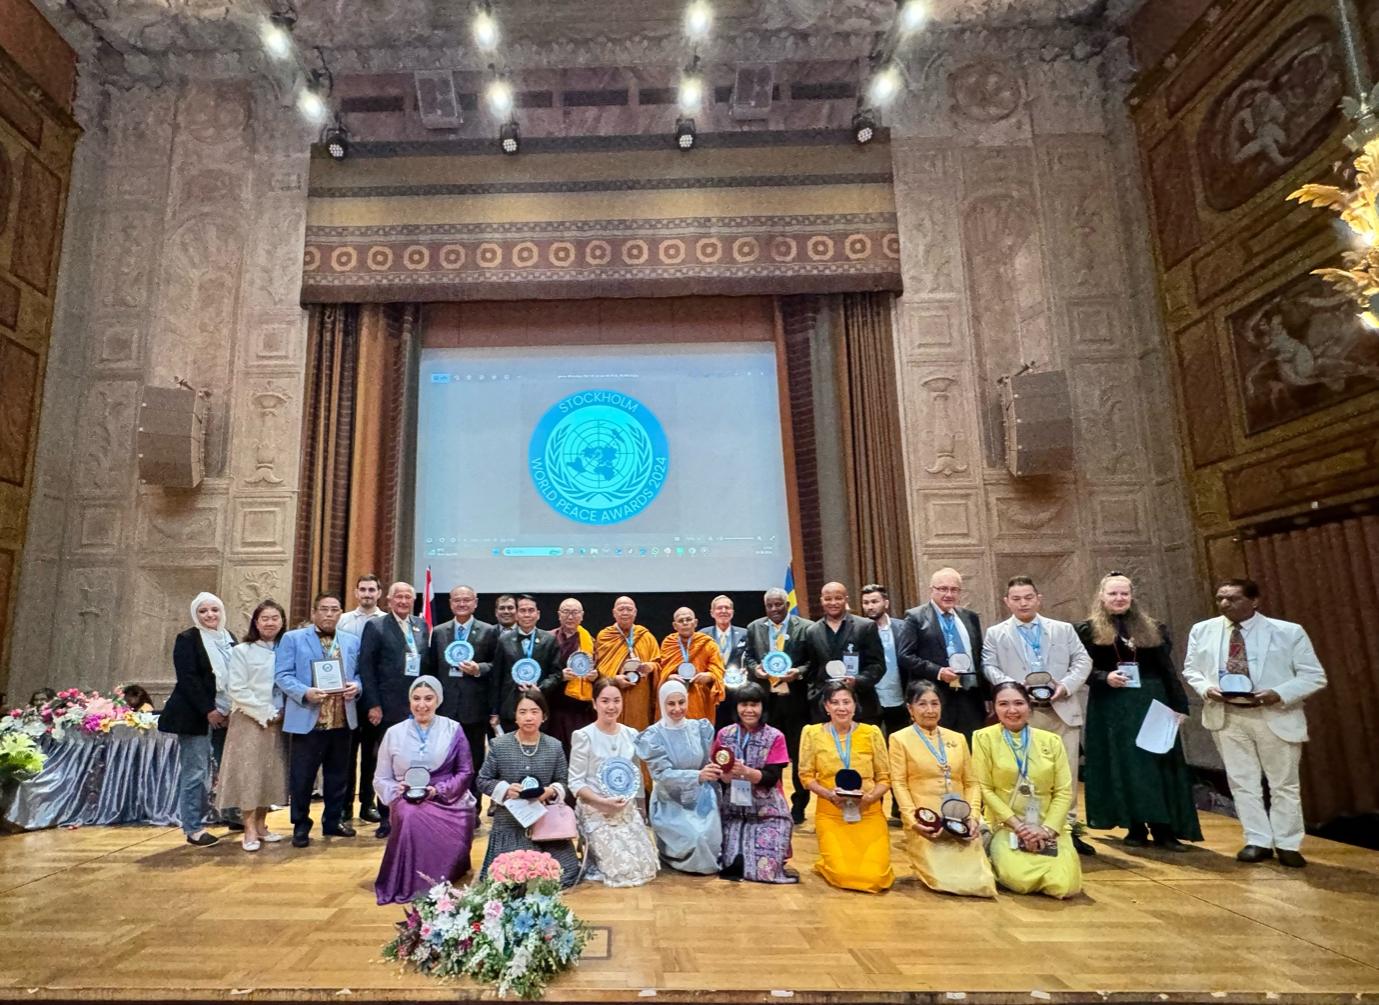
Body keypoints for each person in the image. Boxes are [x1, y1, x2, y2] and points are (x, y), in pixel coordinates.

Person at [1182, 578, 1327, 868]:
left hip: (1274, 714)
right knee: (1242, 782)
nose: (1225, 604)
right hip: (1228, 715)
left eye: (1233, 598)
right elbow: (1192, 669)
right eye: (1220, 598)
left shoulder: (1287, 631)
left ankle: (1287, 843)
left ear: (1254, 601)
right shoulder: (1203, 630)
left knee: (1283, 784)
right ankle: (1257, 839)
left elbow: (1313, 676)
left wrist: (1279, 693)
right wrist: (1206, 689)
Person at [1075, 573, 1202, 851]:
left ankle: (1164, 829)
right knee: (1124, 764)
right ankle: (1134, 826)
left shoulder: (1153, 628)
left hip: (1151, 702)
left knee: (1158, 763)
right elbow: (1080, 668)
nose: (1119, 598)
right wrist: (1104, 677)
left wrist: (1179, 706)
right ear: (1101, 597)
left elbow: (1167, 669)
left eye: (1124, 594)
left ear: (1132, 597)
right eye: (1113, 594)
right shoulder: (1087, 630)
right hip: (1112, 705)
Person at [982, 576, 1097, 856]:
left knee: (1065, 774)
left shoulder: (1063, 629)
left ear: (1038, 599)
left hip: (1061, 711)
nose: (1023, 603)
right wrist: (1015, 690)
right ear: (1007, 602)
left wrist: (1065, 686)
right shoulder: (996, 634)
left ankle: (1066, 830)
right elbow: (989, 665)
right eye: (1016, 599)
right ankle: (1024, 828)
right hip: (1022, 714)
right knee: (1025, 773)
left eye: (1028, 597)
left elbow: (1083, 661)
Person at [372, 676, 478, 904]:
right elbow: (381, 778)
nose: (422, 705)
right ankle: (413, 882)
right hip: (406, 797)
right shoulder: (393, 732)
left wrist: (438, 790)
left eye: (428, 699)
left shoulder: (453, 729)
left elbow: (465, 772)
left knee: (440, 816)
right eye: (416, 698)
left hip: (448, 797)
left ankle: (446, 873)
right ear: (409, 700)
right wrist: (396, 788)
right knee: (409, 815)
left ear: (438, 700)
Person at [971, 681, 1082, 898]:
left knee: (1065, 884)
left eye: (1018, 703)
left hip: (1047, 825)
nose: (1012, 710)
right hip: (1007, 826)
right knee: (1020, 879)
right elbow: (985, 788)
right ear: (994, 708)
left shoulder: (1052, 741)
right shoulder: (983, 738)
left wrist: (1047, 829)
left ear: (1029, 706)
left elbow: (1063, 791)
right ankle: (994, 855)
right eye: (1003, 704)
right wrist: (1019, 827)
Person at [888, 680, 996, 897]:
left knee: (981, 883)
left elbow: (971, 782)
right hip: (927, 821)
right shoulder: (899, 739)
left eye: (934, 703)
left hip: (960, 819)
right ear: (910, 709)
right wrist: (913, 820)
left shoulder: (957, 738)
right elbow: (898, 783)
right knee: (945, 881)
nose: (930, 710)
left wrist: (973, 816)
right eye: (922, 704)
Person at [274, 592, 363, 848]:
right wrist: (305, 692)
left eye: (335, 609)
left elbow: (359, 674)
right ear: (314, 612)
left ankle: (333, 821)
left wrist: (356, 687)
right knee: (302, 778)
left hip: (341, 719)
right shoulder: (293, 638)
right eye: (324, 609)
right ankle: (301, 825)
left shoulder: (351, 640)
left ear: (341, 613)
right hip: (308, 719)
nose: (329, 614)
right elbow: (282, 674)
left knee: (338, 776)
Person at [476, 691, 580, 888]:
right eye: (522, 712)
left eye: (534, 711)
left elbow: (564, 781)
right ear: (515, 716)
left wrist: (551, 791)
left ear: (544, 716)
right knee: (512, 875)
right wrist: (506, 789)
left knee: (564, 874)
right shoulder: (499, 745)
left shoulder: (554, 746)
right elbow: (482, 780)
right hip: (510, 821)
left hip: (546, 822)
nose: (529, 717)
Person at [798, 679, 893, 893]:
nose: (841, 708)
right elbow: (806, 777)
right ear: (826, 706)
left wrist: (870, 798)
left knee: (876, 878)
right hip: (831, 812)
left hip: (868, 811)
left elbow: (885, 778)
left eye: (846, 702)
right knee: (842, 874)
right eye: (835, 702)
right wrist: (828, 794)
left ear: (855, 705)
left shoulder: (871, 733)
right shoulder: (812, 733)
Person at [159, 591, 237, 847]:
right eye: (203, 611)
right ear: (195, 614)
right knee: (196, 773)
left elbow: (236, 674)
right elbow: (188, 679)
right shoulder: (188, 639)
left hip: (226, 713)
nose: (209, 615)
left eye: (214, 610)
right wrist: (209, 710)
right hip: (196, 715)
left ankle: (232, 814)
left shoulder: (229, 637)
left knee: (228, 767)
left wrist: (229, 709)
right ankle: (193, 827)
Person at [568, 677, 659, 887]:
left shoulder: (631, 734)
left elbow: (635, 775)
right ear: (594, 703)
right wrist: (601, 802)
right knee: (620, 870)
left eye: (616, 701)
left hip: (625, 807)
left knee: (645, 867)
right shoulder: (583, 736)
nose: (611, 707)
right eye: (605, 701)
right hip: (594, 808)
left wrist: (640, 807)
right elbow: (575, 782)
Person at [358, 582, 429, 839]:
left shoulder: (421, 626)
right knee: (387, 763)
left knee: (416, 760)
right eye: (398, 596)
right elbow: (366, 667)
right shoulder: (376, 626)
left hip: (417, 707)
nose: (403, 601)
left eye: (408, 597)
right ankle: (386, 817)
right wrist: (373, 704)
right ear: (388, 600)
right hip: (387, 708)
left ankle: (414, 812)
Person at [217, 599, 289, 852]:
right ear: (256, 623)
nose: (270, 623)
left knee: (269, 773)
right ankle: (248, 827)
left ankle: (261, 824)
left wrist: (282, 712)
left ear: (282, 622)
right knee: (249, 774)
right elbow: (237, 688)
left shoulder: (286, 649)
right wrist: (265, 712)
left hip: (279, 720)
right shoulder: (243, 651)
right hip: (249, 719)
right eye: (264, 618)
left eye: (275, 618)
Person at [635, 680, 723, 874]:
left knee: (708, 838)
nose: (677, 709)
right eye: (671, 704)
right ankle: (672, 855)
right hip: (670, 801)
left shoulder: (699, 728)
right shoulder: (653, 736)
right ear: (662, 704)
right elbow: (662, 775)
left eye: (681, 702)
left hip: (701, 798)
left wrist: (715, 768)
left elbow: (707, 760)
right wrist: (698, 776)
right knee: (696, 838)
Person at [425, 584, 500, 809]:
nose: (462, 604)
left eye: (466, 600)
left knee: (474, 759)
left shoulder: (489, 631)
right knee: (444, 759)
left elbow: (496, 666)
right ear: (450, 603)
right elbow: (431, 669)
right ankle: (445, 803)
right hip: (445, 708)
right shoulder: (439, 632)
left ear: (475, 603)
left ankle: (473, 808)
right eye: (457, 600)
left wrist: (478, 669)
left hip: (475, 708)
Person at [743, 588, 814, 823]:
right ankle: (771, 801)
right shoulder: (754, 627)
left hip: (796, 702)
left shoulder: (805, 627)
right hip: (767, 703)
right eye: (770, 605)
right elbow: (749, 657)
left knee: (798, 755)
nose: (774, 609)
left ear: (787, 605)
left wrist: (798, 672)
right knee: (768, 755)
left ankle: (799, 806)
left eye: (778, 605)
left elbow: (813, 661)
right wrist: (756, 670)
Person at [714, 682, 797, 883]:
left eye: (754, 705)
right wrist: (724, 776)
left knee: (765, 870)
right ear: (736, 707)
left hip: (768, 812)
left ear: (763, 707)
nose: (749, 710)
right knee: (729, 865)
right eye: (744, 704)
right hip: (732, 812)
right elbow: (718, 769)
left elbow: (772, 777)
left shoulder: (775, 736)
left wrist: (746, 773)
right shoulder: (724, 734)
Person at [900, 567, 989, 741]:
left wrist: (987, 696)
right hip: (935, 696)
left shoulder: (970, 617)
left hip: (970, 696)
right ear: (931, 590)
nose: (948, 594)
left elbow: (979, 656)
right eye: (943, 589)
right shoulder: (915, 617)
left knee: (970, 746)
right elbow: (905, 656)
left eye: (954, 589)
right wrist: (939, 672)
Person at [860, 583, 914, 823]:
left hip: (899, 699)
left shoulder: (903, 628)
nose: (870, 606)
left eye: (875, 601)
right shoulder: (859, 630)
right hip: (870, 701)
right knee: (872, 758)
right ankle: (874, 808)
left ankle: (899, 809)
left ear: (886, 603)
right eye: (866, 603)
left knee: (899, 757)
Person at [338, 573, 387, 824]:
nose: (367, 594)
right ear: (356, 592)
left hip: (374, 697)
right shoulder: (343, 621)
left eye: (372, 589)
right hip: (346, 696)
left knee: (372, 755)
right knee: (346, 755)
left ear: (379, 593)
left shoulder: (387, 622)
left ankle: (368, 804)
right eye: (363, 589)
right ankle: (344, 806)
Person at [799, 582, 885, 725]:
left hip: (861, 705)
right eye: (828, 599)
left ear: (846, 599)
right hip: (825, 708)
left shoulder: (865, 627)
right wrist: (814, 693)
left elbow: (877, 665)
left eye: (838, 598)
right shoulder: (812, 631)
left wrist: (857, 680)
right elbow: (812, 668)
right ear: (821, 601)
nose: (833, 603)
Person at [491, 595, 562, 733]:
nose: (527, 614)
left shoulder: (549, 640)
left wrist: (540, 688)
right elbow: (496, 677)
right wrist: (494, 711)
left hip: (538, 706)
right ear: (517, 614)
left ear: (538, 614)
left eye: (531, 610)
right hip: (510, 707)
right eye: (523, 610)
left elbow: (557, 673)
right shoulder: (504, 640)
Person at [593, 596, 661, 730]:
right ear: (614, 613)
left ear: (635, 612)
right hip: (613, 694)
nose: (625, 613)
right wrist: (614, 679)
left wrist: (650, 667)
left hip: (640, 697)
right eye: (621, 609)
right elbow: (598, 668)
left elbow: (659, 664)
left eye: (629, 609)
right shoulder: (605, 636)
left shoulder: (646, 636)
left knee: (639, 733)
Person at [656, 607, 726, 722]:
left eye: (688, 619)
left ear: (695, 623)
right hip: (674, 695)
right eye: (681, 620)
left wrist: (709, 676)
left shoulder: (708, 643)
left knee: (698, 729)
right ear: (675, 625)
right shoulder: (668, 643)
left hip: (700, 696)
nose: (685, 623)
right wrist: (668, 676)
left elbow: (718, 669)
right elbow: (661, 668)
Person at [549, 597, 596, 753]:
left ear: (582, 616)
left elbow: (600, 670)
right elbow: (543, 671)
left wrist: (595, 676)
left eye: (575, 612)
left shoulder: (590, 641)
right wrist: (560, 676)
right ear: (559, 615)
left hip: (580, 707)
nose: (570, 617)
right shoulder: (549, 638)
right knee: (556, 749)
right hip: (554, 704)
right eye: (566, 612)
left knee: (579, 750)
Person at [706, 595, 750, 729]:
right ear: (712, 613)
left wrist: (747, 669)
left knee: (737, 727)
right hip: (712, 690)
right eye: (719, 608)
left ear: (733, 612)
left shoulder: (745, 633)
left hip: (737, 690)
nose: (724, 611)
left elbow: (750, 657)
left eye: (727, 608)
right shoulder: (703, 635)